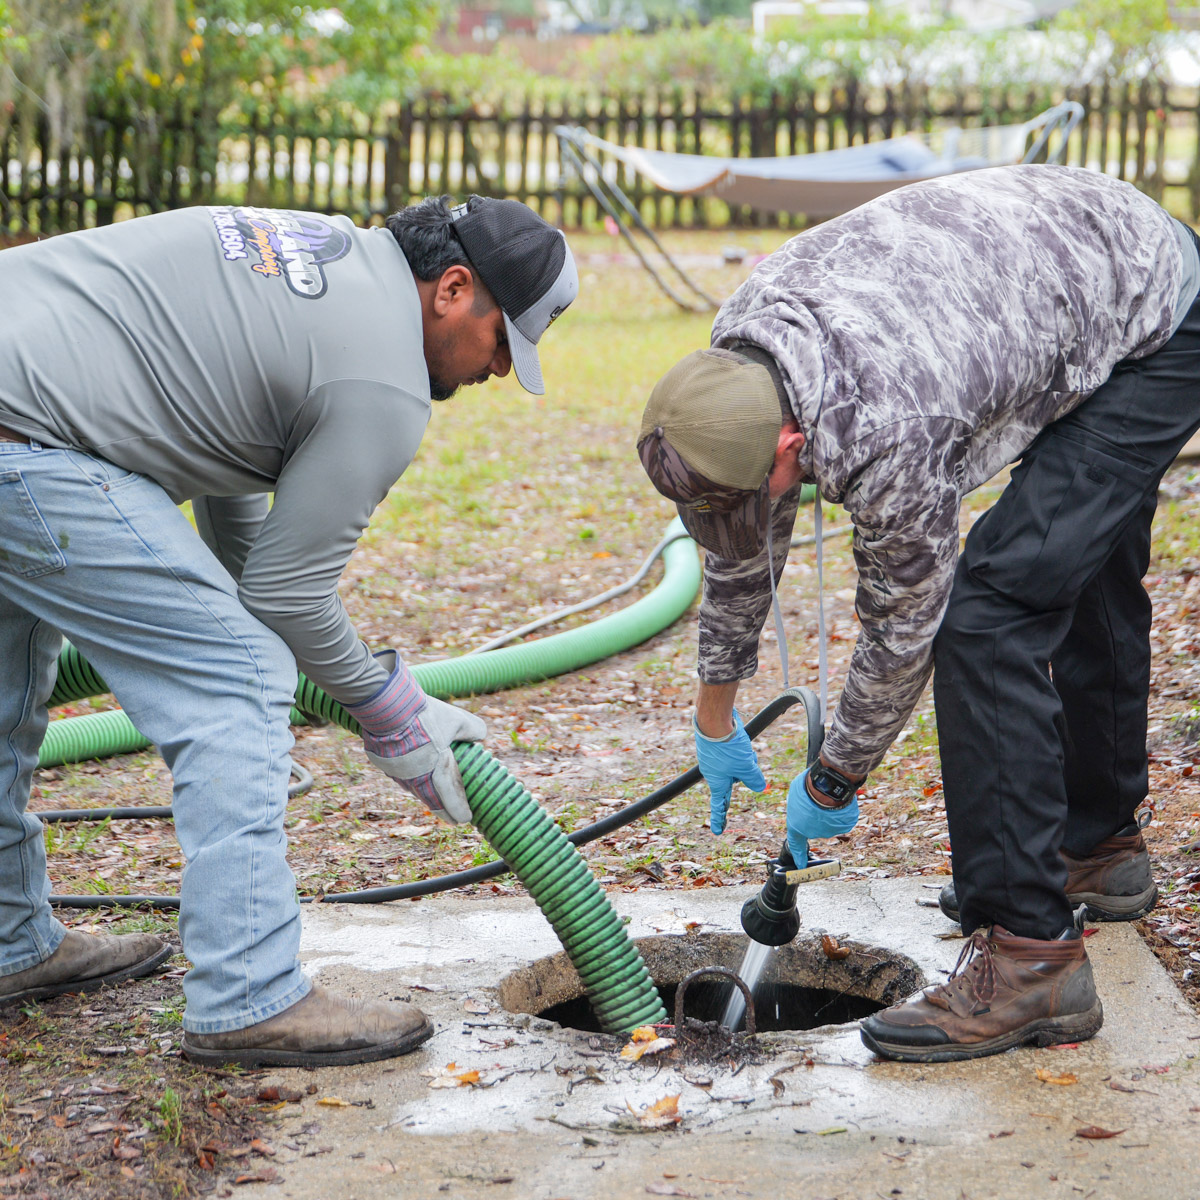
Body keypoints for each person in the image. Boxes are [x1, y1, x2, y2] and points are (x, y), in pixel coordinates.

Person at [637, 163, 1200, 1063]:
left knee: (991, 610)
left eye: (763, 491)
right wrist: (715, 711)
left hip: (1156, 313)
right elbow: (740, 545)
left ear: (792, 441)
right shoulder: (738, 367)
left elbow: (905, 632)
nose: (751, 518)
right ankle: (1097, 848)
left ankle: (1031, 955)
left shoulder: (882, 424)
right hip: (1061, 278)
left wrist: (831, 782)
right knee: (1076, 565)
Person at [0, 194, 577, 1067]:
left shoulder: (323, 261)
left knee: (11, 673)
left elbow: (227, 468)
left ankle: (9, 940)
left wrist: (266, 618)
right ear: (454, 289)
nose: (499, 370)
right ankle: (248, 994)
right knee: (238, 676)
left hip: (21, 403)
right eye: (504, 342)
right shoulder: (383, 380)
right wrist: (391, 709)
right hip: (25, 438)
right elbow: (283, 596)